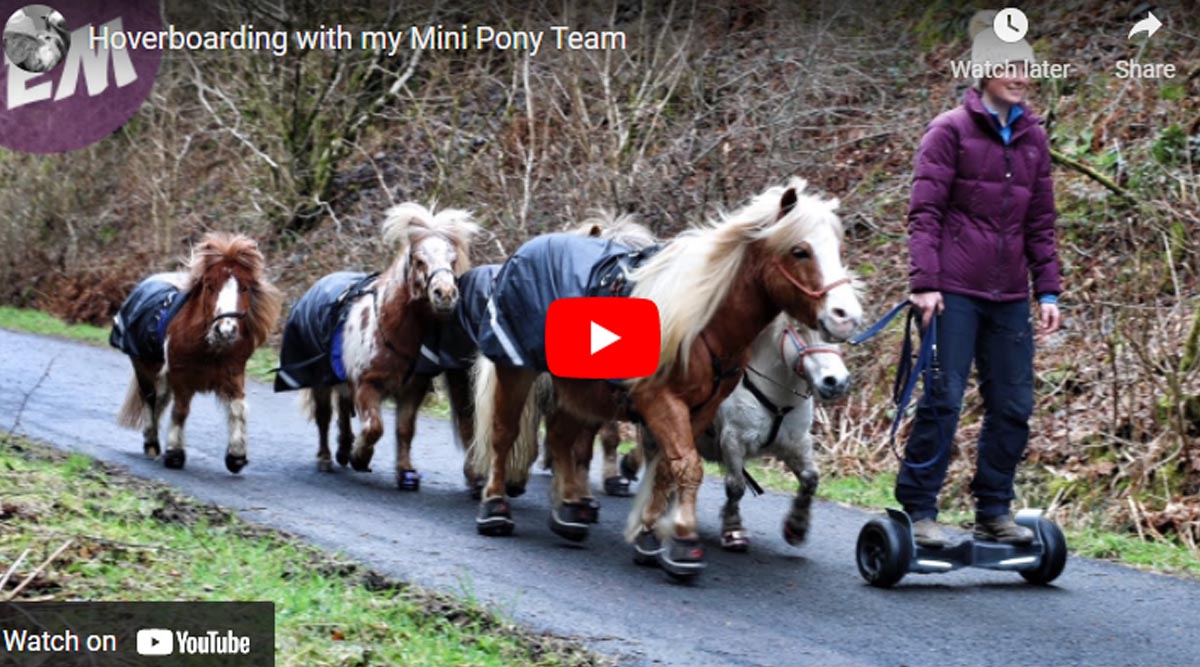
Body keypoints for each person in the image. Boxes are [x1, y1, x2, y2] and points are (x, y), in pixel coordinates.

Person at [898, 26, 1062, 548]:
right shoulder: (948, 131)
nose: (1021, 77)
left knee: (1013, 406)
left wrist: (1049, 292)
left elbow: (1040, 223)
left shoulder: (1034, 137)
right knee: (943, 400)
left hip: (1011, 296)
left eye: (1026, 68)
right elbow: (925, 214)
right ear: (986, 71)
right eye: (1011, 67)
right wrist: (925, 283)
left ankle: (993, 509)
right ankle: (919, 510)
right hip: (954, 292)